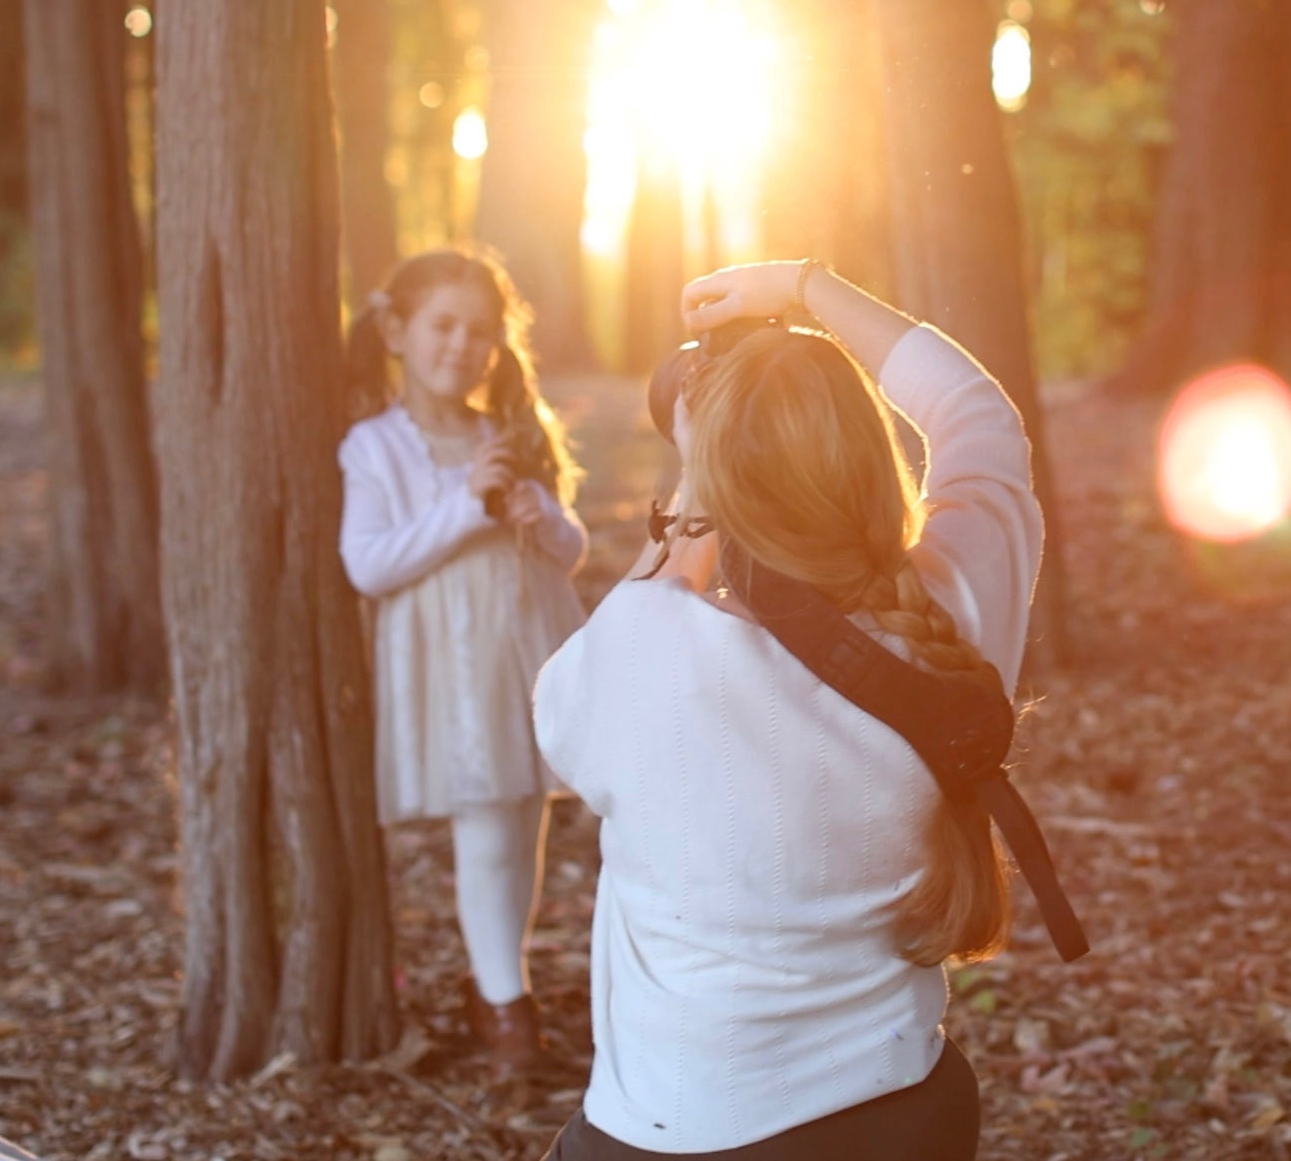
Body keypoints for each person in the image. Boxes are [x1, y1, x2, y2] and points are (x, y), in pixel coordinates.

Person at [533, 259, 1061, 1159]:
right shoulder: (955, 609)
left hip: (680, 1129)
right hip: (904, 1113)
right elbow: (978, 419)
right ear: (867, 456)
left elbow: (564, 719)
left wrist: (699, 492)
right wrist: (807, 288)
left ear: (711, 476)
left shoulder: (641, 650)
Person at [337, 248, 587, 1073]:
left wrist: (535, 509)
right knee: (484, 823)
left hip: (523, 644)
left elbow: (569, 551)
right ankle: (506, 1009)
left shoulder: (504, 434)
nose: (460, 345)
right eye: (442, 325)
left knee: (525, 817)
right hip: (447, 665)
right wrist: (464, 506)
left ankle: (497, 982)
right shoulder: (373, 447)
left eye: (479, 332)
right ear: (396, 331)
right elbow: (368, 564)